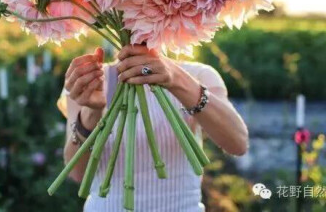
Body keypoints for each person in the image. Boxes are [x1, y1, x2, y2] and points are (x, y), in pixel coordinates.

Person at [57, 45, 248, 212]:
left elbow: (237, 143)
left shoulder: (196, 74)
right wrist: (92, 112)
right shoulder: (91, 80)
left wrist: (178, 80)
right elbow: (77, 173)